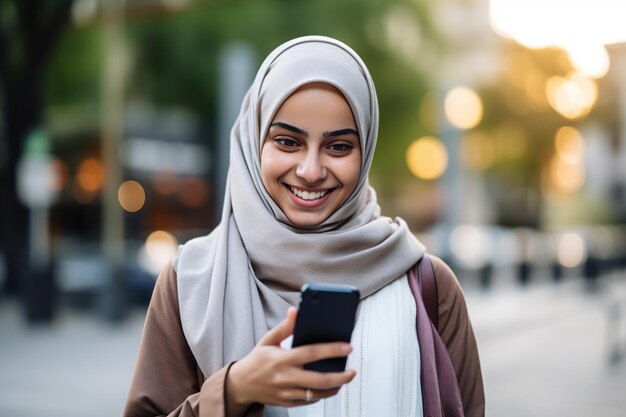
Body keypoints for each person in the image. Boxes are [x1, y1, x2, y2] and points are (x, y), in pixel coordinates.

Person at [123, 35, 484, 417]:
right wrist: (234, 389)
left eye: (339, 146)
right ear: (253, 141)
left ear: (365, 152)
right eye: (287, 142)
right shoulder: (191, 281)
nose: (310, 171)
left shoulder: (427, 287)